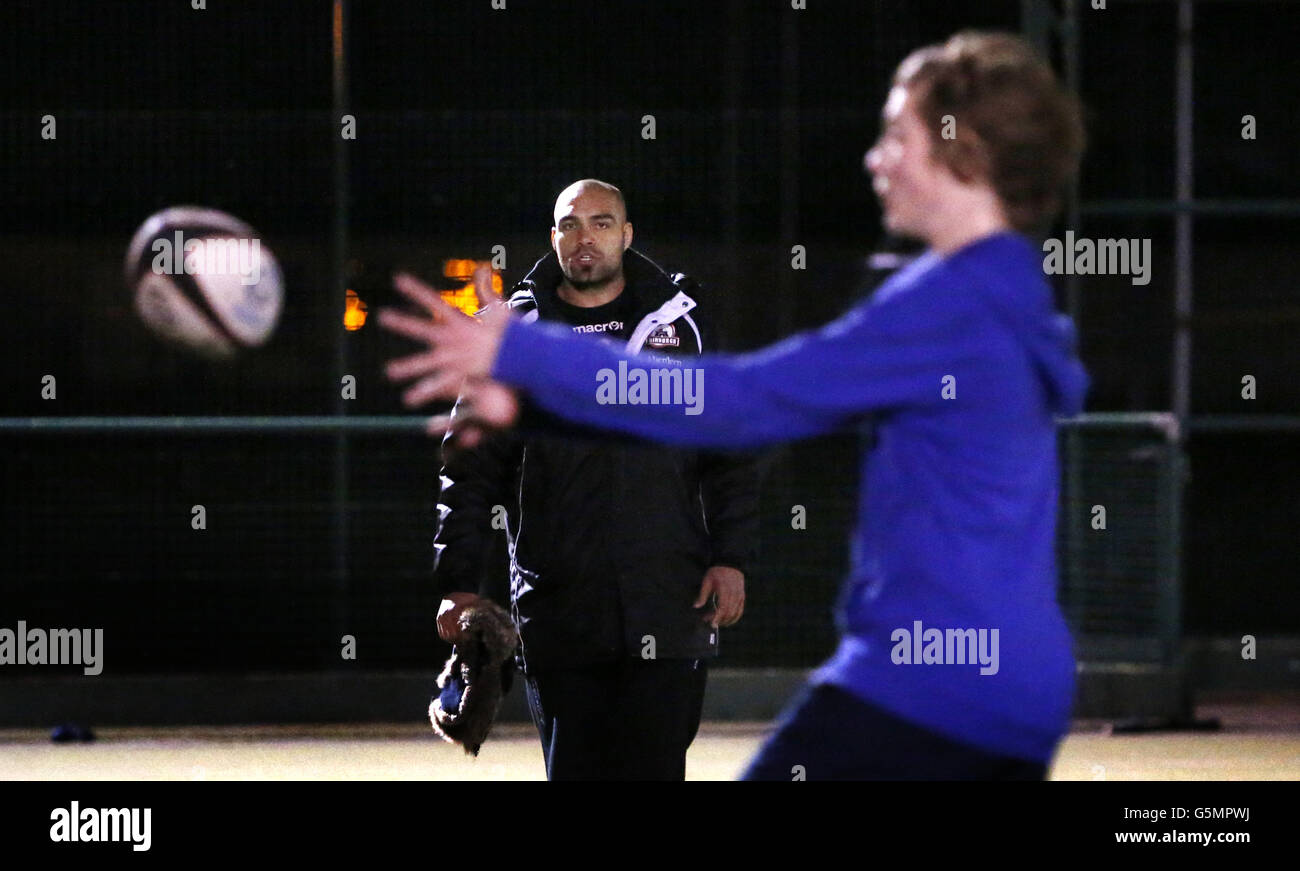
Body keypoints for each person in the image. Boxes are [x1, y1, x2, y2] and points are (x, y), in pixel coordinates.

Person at [382, 31, 1088, 780]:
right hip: (963, 671)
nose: (875, 158)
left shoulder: (952, 304)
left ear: (967, 153)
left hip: (939, 684)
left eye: (897, 135)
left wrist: (524, 355)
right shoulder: (992, 286)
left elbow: (740, 402)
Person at [426, 179, 759, 780]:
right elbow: (467, 472)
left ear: (626, 236)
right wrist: (459, 584)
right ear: (553, 238)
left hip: (671, 603)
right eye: (571, 225)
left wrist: (731, 558)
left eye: (602, 224)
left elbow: (730, 451)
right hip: (559, 613)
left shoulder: (683, 328)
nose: (586, 239)